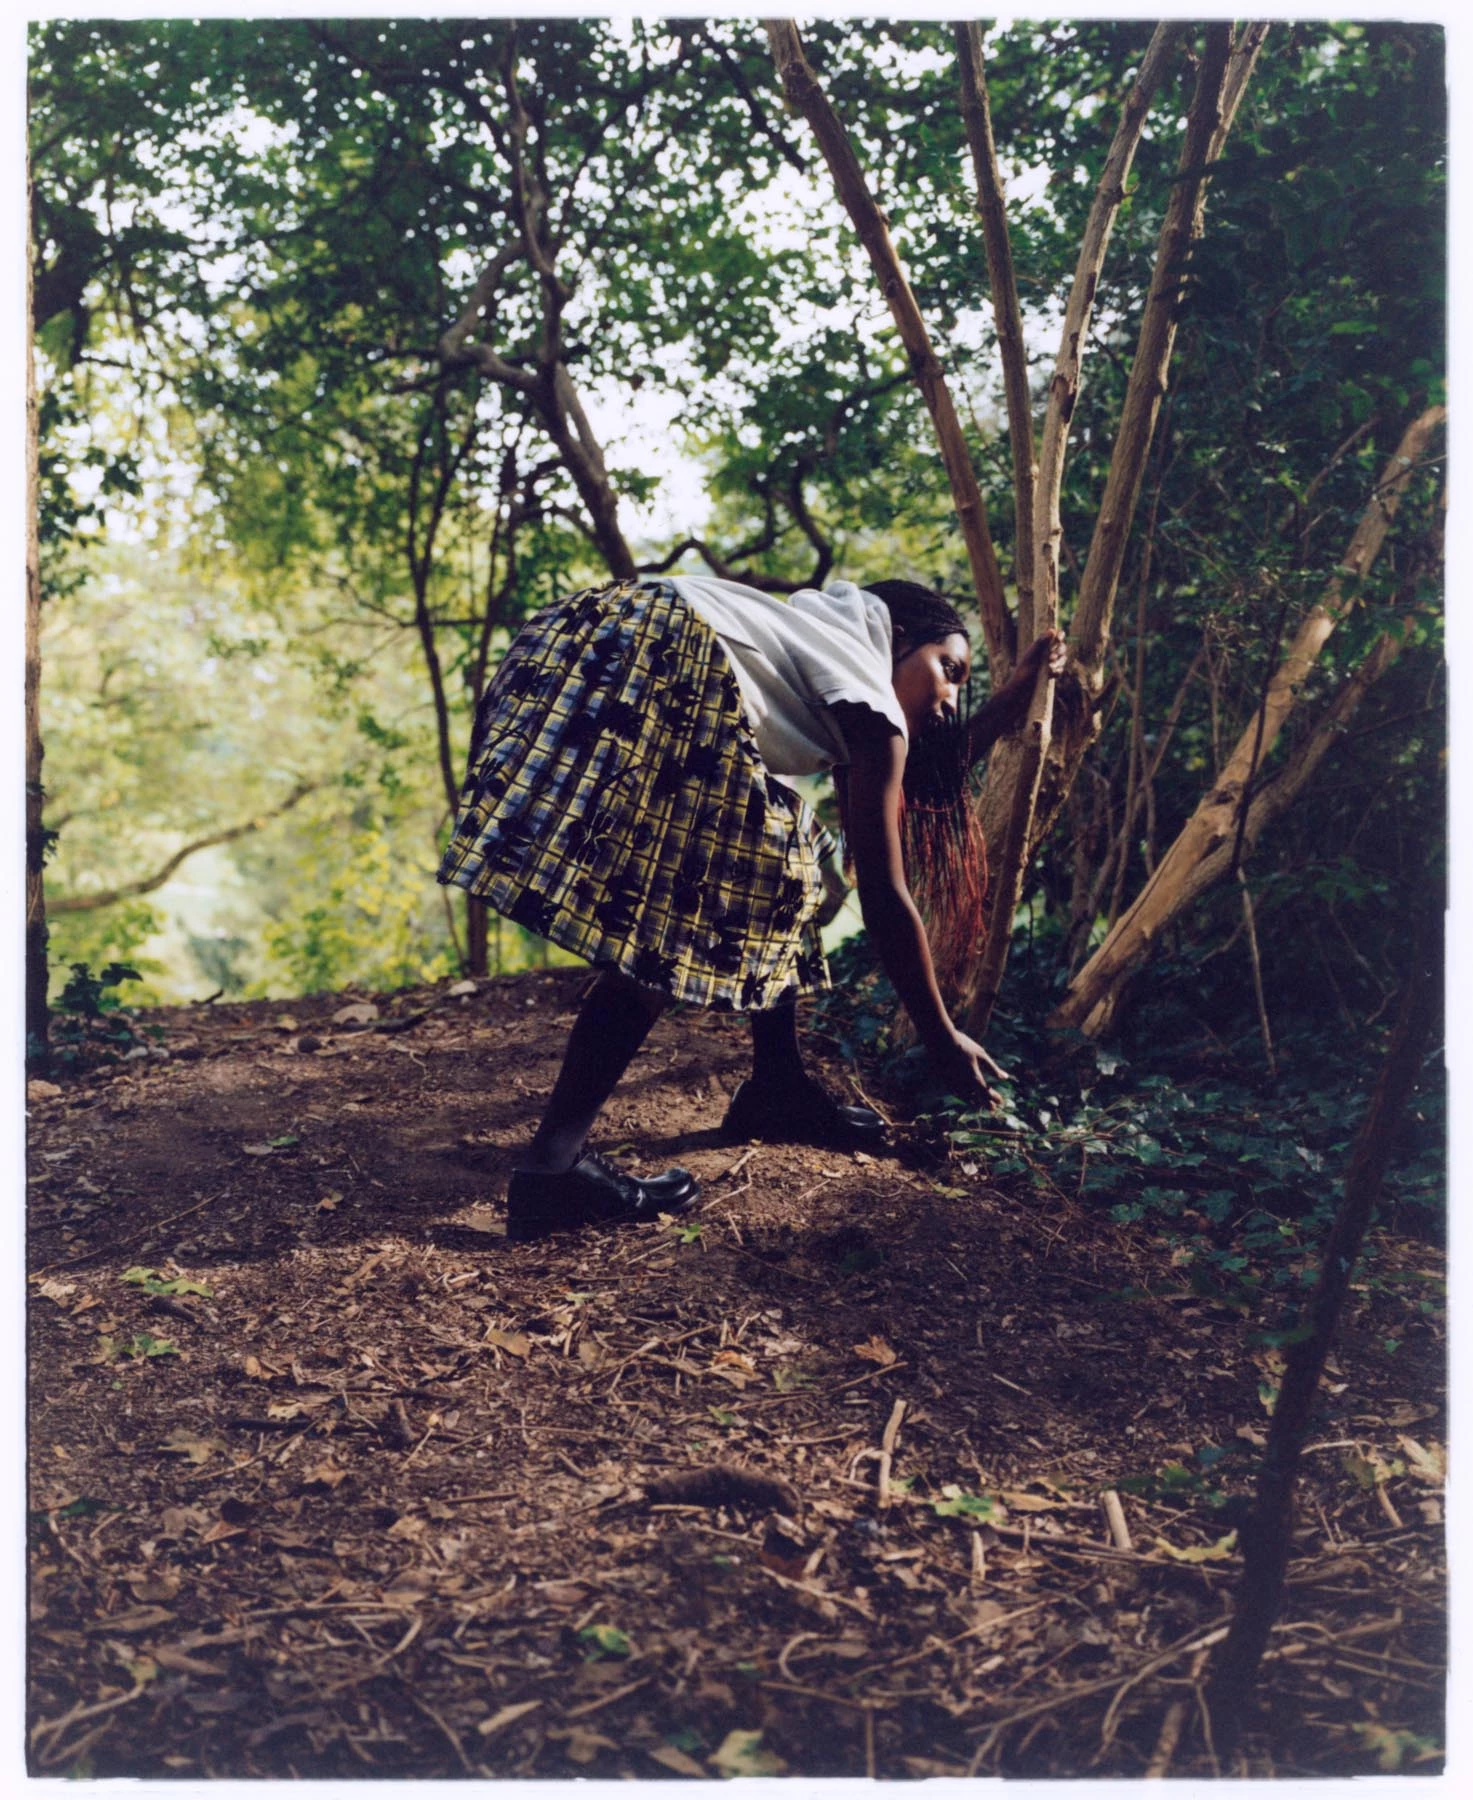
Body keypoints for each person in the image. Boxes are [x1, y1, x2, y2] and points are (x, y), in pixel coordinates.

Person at [438, 572, 1065, 1242]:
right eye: (949, 669)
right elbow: (883, 891)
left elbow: (919, 773)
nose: (950, 697)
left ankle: (777, 1087)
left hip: (579, 637)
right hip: (665, 649)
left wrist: (1010, 698)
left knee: (782, 865)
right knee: (681, 908)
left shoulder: (821, 656)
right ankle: (551, 1169)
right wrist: (941, 1038)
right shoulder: (860, 689)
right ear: (898, 637)